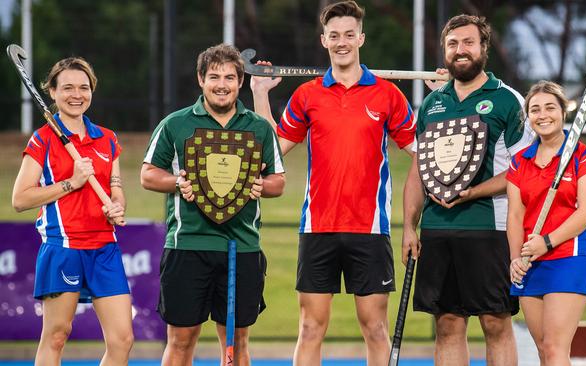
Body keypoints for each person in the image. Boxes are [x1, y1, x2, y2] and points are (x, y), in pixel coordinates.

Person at [250, 1, 416, 364]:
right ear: (324, 40)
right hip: (318, 227)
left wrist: (443, 100)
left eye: (349, 35)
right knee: (310, 327)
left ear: (361, 38)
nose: (342, 42)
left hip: (370, 229)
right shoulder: (308, 95)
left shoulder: (388, 95)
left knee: (375, 328)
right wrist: (260, 93)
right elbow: (272, 152)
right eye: (335, 35)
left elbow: (421, 154)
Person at [402, 14, 536, 366]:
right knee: (447, 325)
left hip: (489, 228)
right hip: (437, 230)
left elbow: (524, 171)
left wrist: (473, 192)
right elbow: (418, 171)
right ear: (444, 51)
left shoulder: (507, 100)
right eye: (452, 44)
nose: (460, 51)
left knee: (495, 322)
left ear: (483, 48)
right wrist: (408, 226)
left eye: (468, 43)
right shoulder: (432, 104)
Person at [141, 43, 285, 366]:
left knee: (237, 343)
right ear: (200, 79)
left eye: (230, 77)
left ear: (240, 81)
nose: (222, 84)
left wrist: (262, 186)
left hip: (242, 246)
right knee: (180, 341)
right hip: (187, 244)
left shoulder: (259, 128)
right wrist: (177, 182)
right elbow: (148, 174)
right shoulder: (175, 124)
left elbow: (279, 181)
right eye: (214, 76)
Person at [11, 57, 132, 365]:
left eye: (83, 87)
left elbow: (115, 188)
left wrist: (116, 205)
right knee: (56, 335)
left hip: (104, 248)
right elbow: (21, 199)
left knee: (122, 339)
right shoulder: (42, 139)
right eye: (67, 88)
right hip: (63, 247)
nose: (76, 95)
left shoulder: (107, 138)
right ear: (52, 92)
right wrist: (72, 183)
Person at [508, 81, 586, 365]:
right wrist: (515, 258)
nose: (543, 115)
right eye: (534, 109)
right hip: (529, 260)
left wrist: (546, 241)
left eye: (550, 107)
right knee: (542, 349)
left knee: (554, 348)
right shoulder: (519, 162)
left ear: (563, 112)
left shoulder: (584, 157)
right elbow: (515, 215)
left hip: (570, 256)